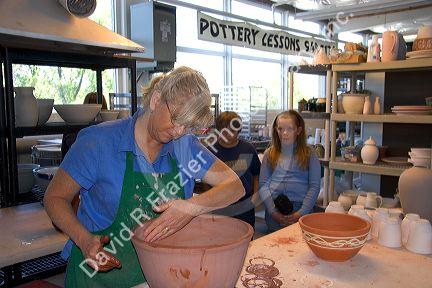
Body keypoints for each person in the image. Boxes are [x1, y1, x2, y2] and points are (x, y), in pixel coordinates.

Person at [44, 66, 245, 287]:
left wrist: (191, 207)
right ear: (156, 100)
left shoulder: (185, 147)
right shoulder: (99, 142)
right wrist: (83, 239)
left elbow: (234, 186)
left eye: (188, 126)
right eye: (176, 119)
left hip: (155, 276)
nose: (179, 132)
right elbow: (54, 198)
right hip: (96, 277)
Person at [258, 110, 320, 233]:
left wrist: (301, 213)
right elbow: (263, 186)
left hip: (302, 209)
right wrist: (273, 211)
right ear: (276, 130)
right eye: (280, 129)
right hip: (275, 209)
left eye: (290, 129)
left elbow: (314, 187)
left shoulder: (309, 154)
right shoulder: (269, 153)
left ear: (298, 131)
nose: (284, 133)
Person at [209, 111, 261, 228]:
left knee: (247, 240)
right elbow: (205, 181)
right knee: (222, 241)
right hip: (220, 208)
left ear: (238, 130)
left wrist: (255, 197)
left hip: (245, 207)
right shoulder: (210, 152)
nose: (228, 135)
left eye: (232, 131)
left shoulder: (248, 149)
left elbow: (257, 174)